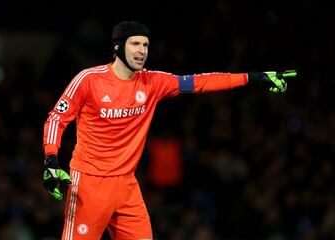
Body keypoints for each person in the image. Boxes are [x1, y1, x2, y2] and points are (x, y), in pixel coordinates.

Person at [42, 20, 296, 239]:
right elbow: (56, 118)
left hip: (127, 185)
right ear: (117, 47)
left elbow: (200, 82)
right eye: (135, 44)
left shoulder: (153, 82)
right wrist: (51, 159)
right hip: (89, 183)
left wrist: (254, 77)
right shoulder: (89, 79)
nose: (142, 51)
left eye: (146, 45)